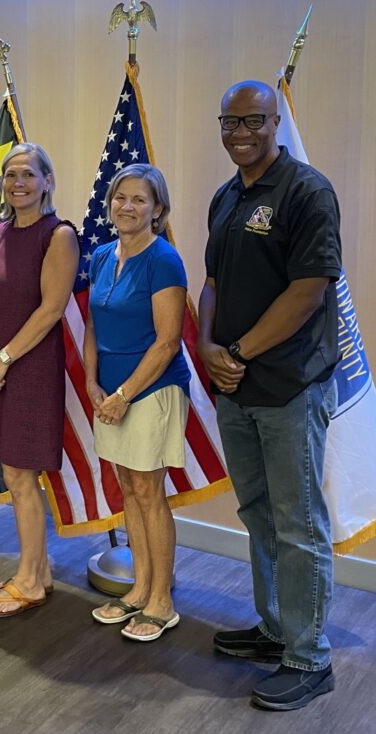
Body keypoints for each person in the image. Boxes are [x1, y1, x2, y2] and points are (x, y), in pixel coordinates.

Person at [198, 80, 341, 711]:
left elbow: (308, 290)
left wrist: (239, 352)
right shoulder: (226, 196)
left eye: (252, 121)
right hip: (234, 386)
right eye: (229, 123)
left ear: (275, 120)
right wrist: (206, 347)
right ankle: (277, 628)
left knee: (298, 523)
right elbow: (210, 283)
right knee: (258, 512)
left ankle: (310, 659)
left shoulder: (307, 192)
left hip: (287, 387)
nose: (240, 133)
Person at [0, 144, 79, 616]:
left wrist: (6, 359)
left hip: (30, 368)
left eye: (28, 174)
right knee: (14, 473)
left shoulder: (58, 236)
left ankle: (30, 580)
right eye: (10, 174)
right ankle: (40, 569)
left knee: (20, 473)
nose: (18, 182)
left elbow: (51, 309)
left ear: (47, 181)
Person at [83, 164, 190, 642]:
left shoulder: (164, 260)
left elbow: (168, 342)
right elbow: (91, 326)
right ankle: (139, 590)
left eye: (139, 200)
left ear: (158, 209)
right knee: (127, 489)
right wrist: (91, 384)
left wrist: (125, 395)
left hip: (150, 391)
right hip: (108, 395)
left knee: (150, 492)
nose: (127, 206)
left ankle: (161, 601)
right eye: (120, 198)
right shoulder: (104, 255)